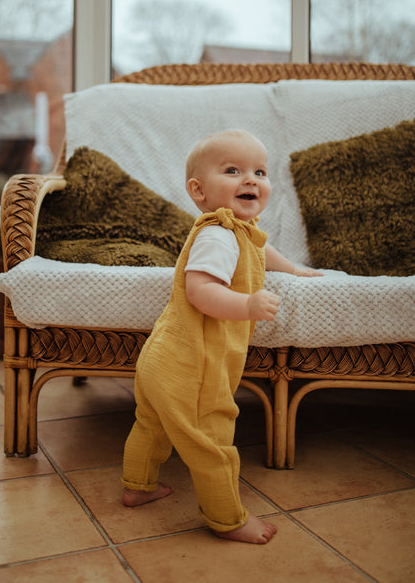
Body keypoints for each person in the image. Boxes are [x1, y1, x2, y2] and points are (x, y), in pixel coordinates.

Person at [121, 129, 322, 544]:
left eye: (259, 171)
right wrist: (247, 305)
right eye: (233, 170)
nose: (251, 179)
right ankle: (227, 519)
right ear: (198, 191)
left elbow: (263, 251)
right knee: (212, 443)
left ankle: (137, 487)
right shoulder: (216, 235)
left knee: (151, 425)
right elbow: (201, 292)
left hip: (162, 357)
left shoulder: (240, 232)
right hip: (192, 366)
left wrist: (293, 269)